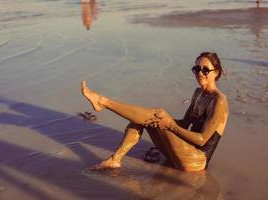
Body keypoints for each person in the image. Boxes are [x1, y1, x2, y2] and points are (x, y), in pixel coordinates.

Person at [81, 52, 228, 172]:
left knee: (157, 114)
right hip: (181, 153)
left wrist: (169, 124)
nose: (200, 73)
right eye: (197, 69)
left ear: (216, 72)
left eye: (205, 70)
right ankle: (115, 160)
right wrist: (161, 121)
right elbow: (184, 123)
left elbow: (202, 139)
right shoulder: (198, 93)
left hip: (196, 161)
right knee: (143, 118)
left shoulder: (219, 101)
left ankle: (103, 102)